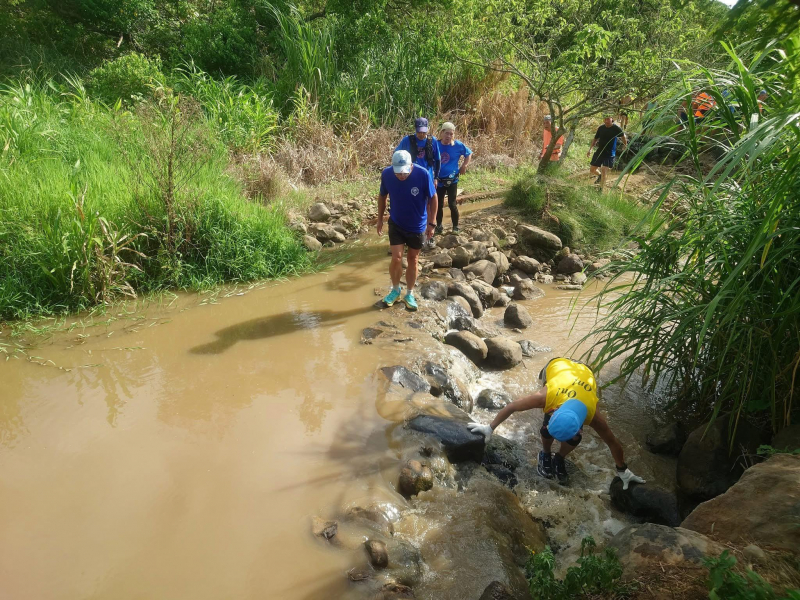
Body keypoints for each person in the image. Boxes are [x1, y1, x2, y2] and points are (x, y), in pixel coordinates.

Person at [467, 357, 645, 487]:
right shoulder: (546, 396)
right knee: (547, 429)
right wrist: (489, 428)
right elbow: (512, 406)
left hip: (584, 371)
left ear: (582, 423)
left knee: (574, 438)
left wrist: (623, 470)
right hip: (556, 364)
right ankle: (545, 453)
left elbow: (613, 443)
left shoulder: (592, 414)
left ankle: (559, 457)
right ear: (555, 410)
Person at [376, 150, 437, 311]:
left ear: (411, 166)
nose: (401, 176)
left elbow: (433, 197)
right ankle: (395, 290)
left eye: (404, 173)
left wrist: (432, 223)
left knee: (413, 259)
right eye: (398, 173)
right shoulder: (387, 174)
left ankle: (409, 293)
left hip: (417, 226)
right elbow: (382, 196)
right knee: (396, 258)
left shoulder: (423, 174)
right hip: (396, 223)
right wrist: (380, 219)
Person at [434, 122, 472, 234]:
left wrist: (464, 165)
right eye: (446, 133)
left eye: (451, 134)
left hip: (452, 180)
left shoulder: (458, 145)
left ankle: (455, 227)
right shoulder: (435, 145)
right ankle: (439, 226)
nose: (449, 136)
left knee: (452, 203)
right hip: (438, 180)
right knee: (438, 204)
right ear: (441, 133)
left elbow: (468, 153)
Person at [395, 117, 441, 189]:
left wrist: (436, 178)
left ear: (427, 129)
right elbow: (396, 154)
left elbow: (437, 159)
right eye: (419, 132)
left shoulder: (433, 141)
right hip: (411, 175)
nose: (421, 134)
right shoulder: (407, 140)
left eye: (424, 132)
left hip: (428, 175)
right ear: (415, 129)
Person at [587, 116, 626, 186]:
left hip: (609, 153)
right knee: (592, 169)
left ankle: (601, 189)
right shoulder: (601, 128)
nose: (606, 120)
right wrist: (590, 149)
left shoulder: (616, 128)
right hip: (600, 151)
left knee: (604, 170)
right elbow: (595, 139)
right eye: (605, 119)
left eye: (608, 119)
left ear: (612, 119)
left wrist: (625, 145)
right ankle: (600, 176)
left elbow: (623, 136)